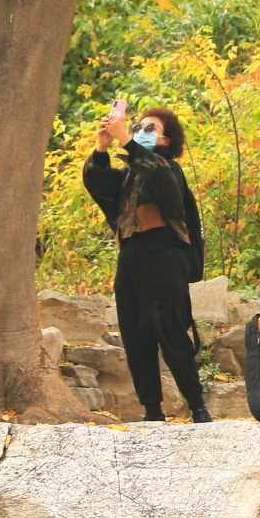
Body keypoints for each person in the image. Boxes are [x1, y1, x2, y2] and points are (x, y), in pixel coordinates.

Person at [83, 106, 209, 422]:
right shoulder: (126, 175)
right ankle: (152, 411)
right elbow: (97, 184)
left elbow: (157, 173)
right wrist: (102, 145)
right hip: (130, 257)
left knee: (171, 331)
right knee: (135, 336)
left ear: (167, 140)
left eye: (150, 128)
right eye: (138, 126)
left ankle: (197, 407)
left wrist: (124, 136)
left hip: (165, 255)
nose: (140, 130)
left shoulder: (169, 168)